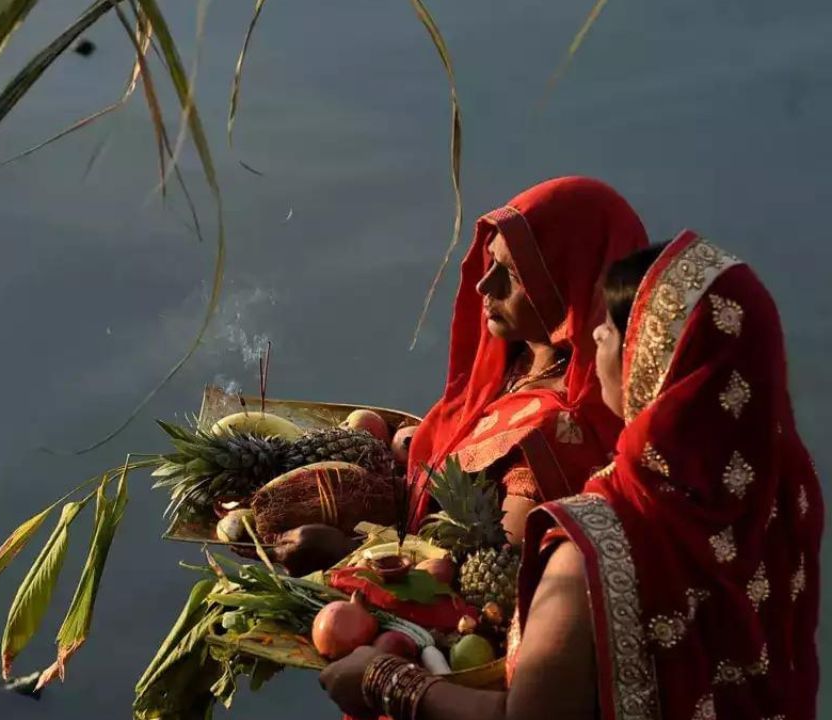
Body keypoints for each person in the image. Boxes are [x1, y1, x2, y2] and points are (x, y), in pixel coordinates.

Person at [318, 231, 823, 719]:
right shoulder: (786, 493)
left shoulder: (595, 544)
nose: (596, 333)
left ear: (653, 368)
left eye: (614, 327)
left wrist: (381, 679)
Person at [274, 177, 649, 575]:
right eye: (491, 262)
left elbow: (487, 576)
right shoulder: (516, 364)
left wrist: (343, 554)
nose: (485, 285)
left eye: (514, 274)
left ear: (573, 286)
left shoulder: (556, 434)